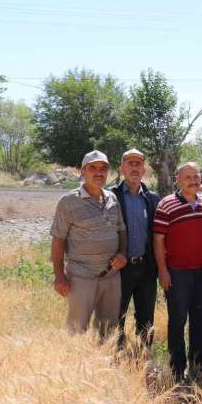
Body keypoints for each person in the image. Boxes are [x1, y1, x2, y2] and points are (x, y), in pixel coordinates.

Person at [50, 150, 127, 337]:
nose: (98, 172)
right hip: (81, 278)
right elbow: (58, 240)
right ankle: (74, 365)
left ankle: (101, 365)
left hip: (111, 277)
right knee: (76, 331)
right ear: (83, 172)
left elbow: (121, 230)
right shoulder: (68, 201)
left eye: (103, 168)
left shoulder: (112, 198)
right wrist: (59, 276)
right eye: (92, 168)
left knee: (107, 330)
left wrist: (122, 253)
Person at [153, 162, 202, 383]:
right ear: (178, 180)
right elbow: (158, 241)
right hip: (177, 273)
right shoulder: (166, 204)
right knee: (178, 320)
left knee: (200, 320)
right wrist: (163, 270)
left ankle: (198, 363)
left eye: (196, 176)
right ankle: (177, 367)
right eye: (188, 177)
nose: (193, 180)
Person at [111, 148, 160, 350]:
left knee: (146, 317)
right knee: (116, 315)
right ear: (121, 168)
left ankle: (144, 358)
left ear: (144, 169)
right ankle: (115, 356)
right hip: (119, 269)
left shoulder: (152, 199)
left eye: (138, 163)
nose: (134, 167)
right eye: (130, 163)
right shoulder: (110, 197)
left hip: (146, 268)